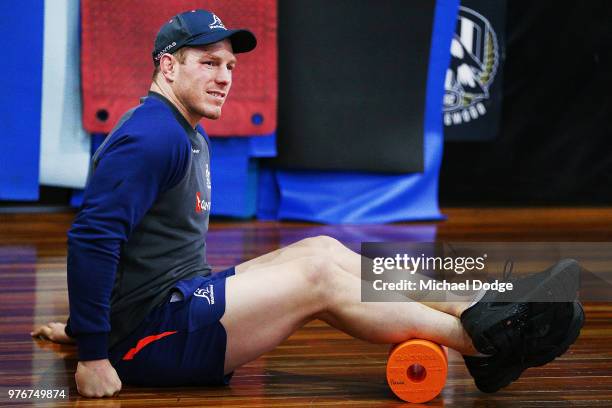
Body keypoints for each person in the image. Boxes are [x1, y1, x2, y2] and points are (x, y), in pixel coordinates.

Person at [32, 9, 584, 399]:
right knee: (320, 273)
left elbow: (130, 247)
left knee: (321, 246)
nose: (224, 77)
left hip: (174, 302)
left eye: (229, 65)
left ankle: (481, 306)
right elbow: (93, 239)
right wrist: (96, 354)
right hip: (149, 340)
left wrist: (82, 325)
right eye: (208, 62)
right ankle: (490, 345)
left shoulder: (179, 127)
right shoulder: (152, 138)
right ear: (167, 66)